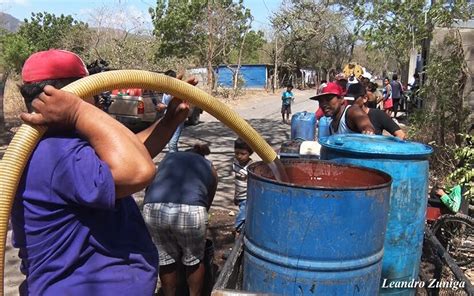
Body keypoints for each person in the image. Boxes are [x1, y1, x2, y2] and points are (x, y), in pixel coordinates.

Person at [12, 49, 196, 295]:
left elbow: (127, 155)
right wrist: (79, 111)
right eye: (94, 92)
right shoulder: (59, 153)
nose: (99, 99)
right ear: (69, 98)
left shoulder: (61, 143)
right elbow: (138, 170)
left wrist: (168, 122)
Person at [143, 144, 218, 296]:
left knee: (165, 259)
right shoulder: (209, 166)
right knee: (194, 260)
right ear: (202, 155)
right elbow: (208, 198)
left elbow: (149, 185)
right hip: (190, 211)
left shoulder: (168, 158)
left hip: (153, 207)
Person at [309, 82, 375, 135]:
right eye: (320, 101)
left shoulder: (352, 112)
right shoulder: (331, 123)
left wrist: (368, 130)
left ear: (341, 99)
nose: (323, 104)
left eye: (328, 99)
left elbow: (366, 126)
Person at [157, 69, 184, 152]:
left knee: (172, 144)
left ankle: (173, 163)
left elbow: (179, 105)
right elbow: (163, 104)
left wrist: (164, 106)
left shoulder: (178, 90)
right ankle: (175, 160)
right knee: (169, 143)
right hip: (168, 118)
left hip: (176, 119)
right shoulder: (166, 91)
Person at [233, 138, 254, 233]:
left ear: (249, 153)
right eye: (236, 153)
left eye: (243, 154)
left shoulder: (251, 167)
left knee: (242, 214)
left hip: (247, 197)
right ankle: (242, 230)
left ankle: (237, 228)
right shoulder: (235, 163)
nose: (239, 156)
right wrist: (235, 196)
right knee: (244, 215)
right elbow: (237, 181)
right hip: (239, 195)